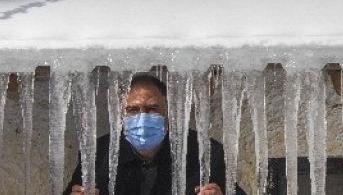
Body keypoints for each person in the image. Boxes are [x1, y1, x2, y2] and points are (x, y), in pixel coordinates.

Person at [65, 73, 246, 195]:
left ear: (167, 111)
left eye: (152, 108)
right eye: (133, 110)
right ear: (120, 116)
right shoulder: (99, 156)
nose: (142, 116)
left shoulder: (205, 153)